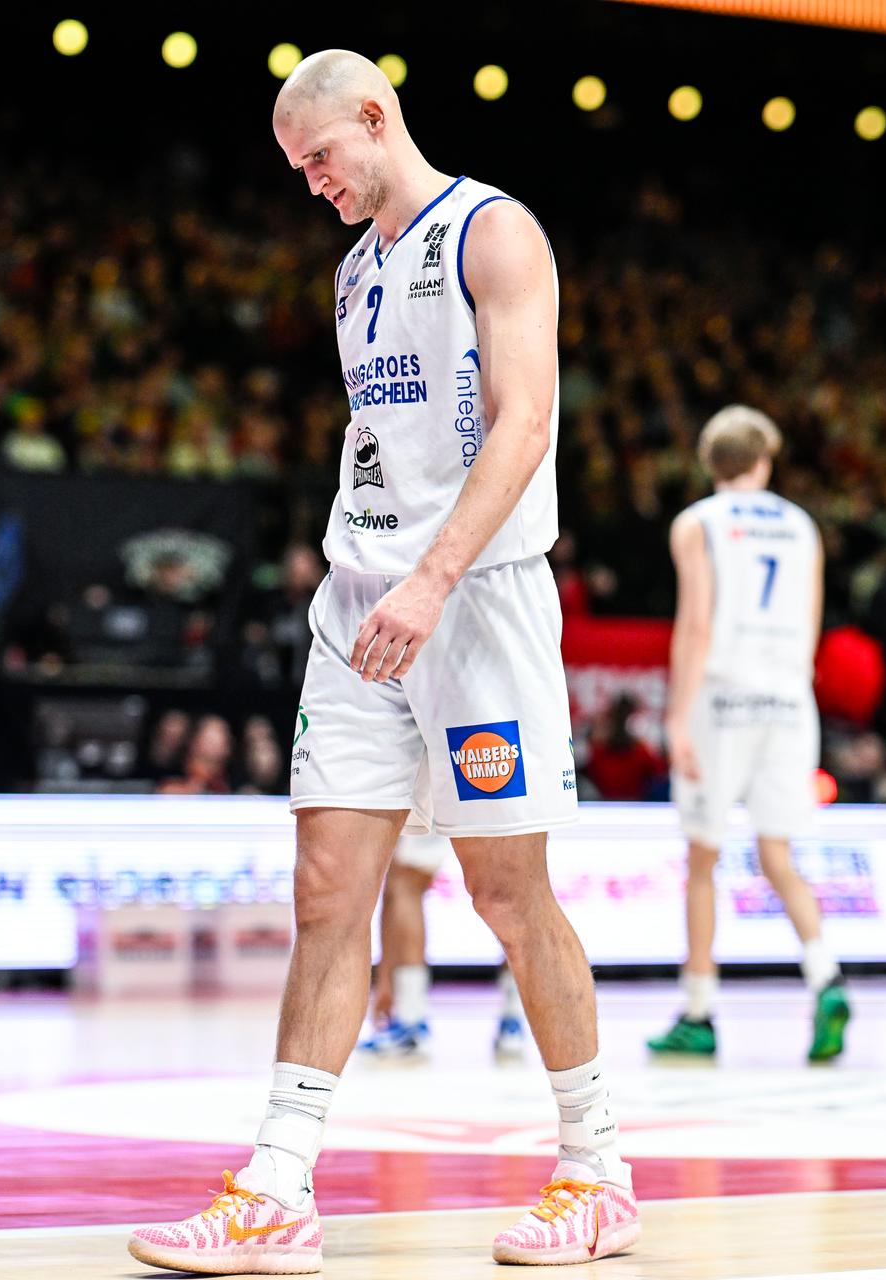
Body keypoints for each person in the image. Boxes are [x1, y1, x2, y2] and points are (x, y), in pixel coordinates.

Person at [128, 49, 638, 1274]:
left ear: (374, 116)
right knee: (324, 891)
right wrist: (372, 573)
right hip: (362, 605)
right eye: (297, 169)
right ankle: (279, 1182)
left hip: (476, 603)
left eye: (319, 158)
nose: (311, 184)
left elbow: (525, 422)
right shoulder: (354, 269)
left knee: (509, 895)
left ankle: (597, 1167)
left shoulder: (496, 233)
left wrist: (431, 577)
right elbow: (387, 443)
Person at [649, 406, 850, 1062]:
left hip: (723, 699)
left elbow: (697, 623)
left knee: (703, 860)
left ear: (711, 463)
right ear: (764, 462)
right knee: (777, 855)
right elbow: (814, 622)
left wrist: (678, 716)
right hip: (789, 700)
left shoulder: (699, 523)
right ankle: (825, 976)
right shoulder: (800, 525)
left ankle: (700, 1011)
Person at [359, 832, 528, 1058]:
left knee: (406, 880)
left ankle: (411, 1021)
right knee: (512, 883)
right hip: (506, 800)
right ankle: (514, 1020)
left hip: (440, 797)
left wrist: (385, 980)